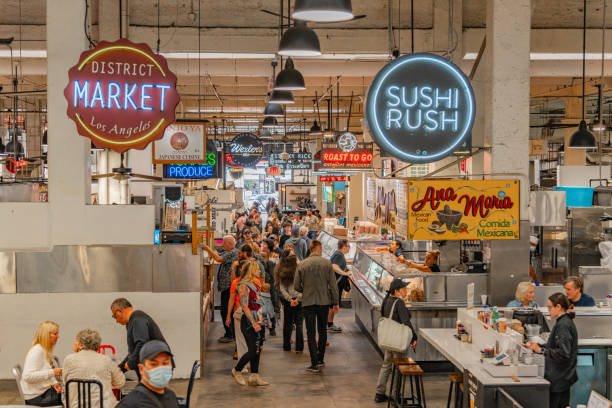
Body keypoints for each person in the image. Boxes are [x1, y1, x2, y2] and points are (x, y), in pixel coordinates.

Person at [525, 293, 578, 408]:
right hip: (562, 377)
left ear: (558, 307)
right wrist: (538, 346)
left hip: (560, 378)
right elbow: (554, 345)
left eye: (550, 307)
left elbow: (564, 353)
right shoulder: (563, 321)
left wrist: (541, 351)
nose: (548, 310)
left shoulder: (563, 325)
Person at [294, 240, 340, 373]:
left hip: (308, 302)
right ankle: (320, 359)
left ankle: (313, 363)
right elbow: (333, 285)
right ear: (319, 249)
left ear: (310, 249)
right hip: (324, 302)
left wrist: (306, 290)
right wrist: (335, 302)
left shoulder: (302, 264)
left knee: (310, 331)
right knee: (322, 330)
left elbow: (296, 286)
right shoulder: (327, 263)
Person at [374, 279, 418, 403]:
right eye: (403, 288)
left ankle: (379, 393)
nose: (406, 290)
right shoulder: (399, 303)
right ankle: (396, 396)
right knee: (398, 366)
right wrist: (414, 338)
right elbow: (406, 322)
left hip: (388, 339)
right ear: (397, 291)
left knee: (386, 365)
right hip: (397, 341)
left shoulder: (386, 300)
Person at [63, 329, 125, 408]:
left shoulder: (68, 360)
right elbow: (120, 382)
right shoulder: (106, 360)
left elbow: (65, 382)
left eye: (76, 341)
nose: (74, 343)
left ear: (81, 345)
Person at [110, 298, 170, 379]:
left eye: (114, 316)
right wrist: (120, 368)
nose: (116, 321)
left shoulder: (137, 319)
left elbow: (142, 344)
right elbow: (134, 351)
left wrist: (130, 363)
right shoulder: (133, 320)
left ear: (119, 311)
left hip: (157, 366)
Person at [232, 261, 270, 387]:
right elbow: (244, 306)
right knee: (252, 350)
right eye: (258, 269)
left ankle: (254, 375)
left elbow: (259, 302)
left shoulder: (256, 284)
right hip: (249, 321)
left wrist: (266, 319)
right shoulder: (243, 285)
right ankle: (237, 369)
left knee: (258, 349)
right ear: (251, 270)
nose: (260, 271)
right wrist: (253, 323)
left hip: (259, 319)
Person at [116, 340, 178, 408]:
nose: (161, 368)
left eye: (165, 363)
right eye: (154, 364)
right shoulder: (130, 404)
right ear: (141, 369)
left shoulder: (171, 396)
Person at [203, 236, 239, 343]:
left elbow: (219, 259)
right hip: (226, 286)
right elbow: (218, 255)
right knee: (225, 311)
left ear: (230, 244)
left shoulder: (233, 252)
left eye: (224, 244)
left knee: (225, 312)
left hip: (229, 287)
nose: (222, 246)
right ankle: (229, 333)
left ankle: (230, 334)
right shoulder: (228, 251)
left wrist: (207, 249)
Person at [21, 321, 63, 406]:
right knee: (73, 397)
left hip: (41, 393)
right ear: (46, 335)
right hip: (37, 397)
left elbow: (44, 370)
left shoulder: (43, 349)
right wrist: (53, 372)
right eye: (55, 334)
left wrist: (54, 383)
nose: (58, 337)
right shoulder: (37, 351)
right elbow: (27, 376)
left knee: (70, 394)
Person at [275, 250, 304, 352]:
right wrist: (298, 299)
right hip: (300, 301)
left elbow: (282, 288)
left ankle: (286, 346)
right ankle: (299, 347)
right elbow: (305, 287)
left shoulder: (283, 271)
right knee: (299, 323)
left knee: (288, 323)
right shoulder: (301, 271)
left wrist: (290, 299)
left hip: (288, 302)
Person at [328, 239, 352, 333]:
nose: (349, 248)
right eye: (348, 246)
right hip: (336, 285)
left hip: (335, 283)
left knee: (333, 304)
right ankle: (330, 324)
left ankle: (329, 323)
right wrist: (345, 274)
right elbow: (334, 267)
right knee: (333, 304)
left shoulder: (338, 254)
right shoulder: (339, 255)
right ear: (344, 246)